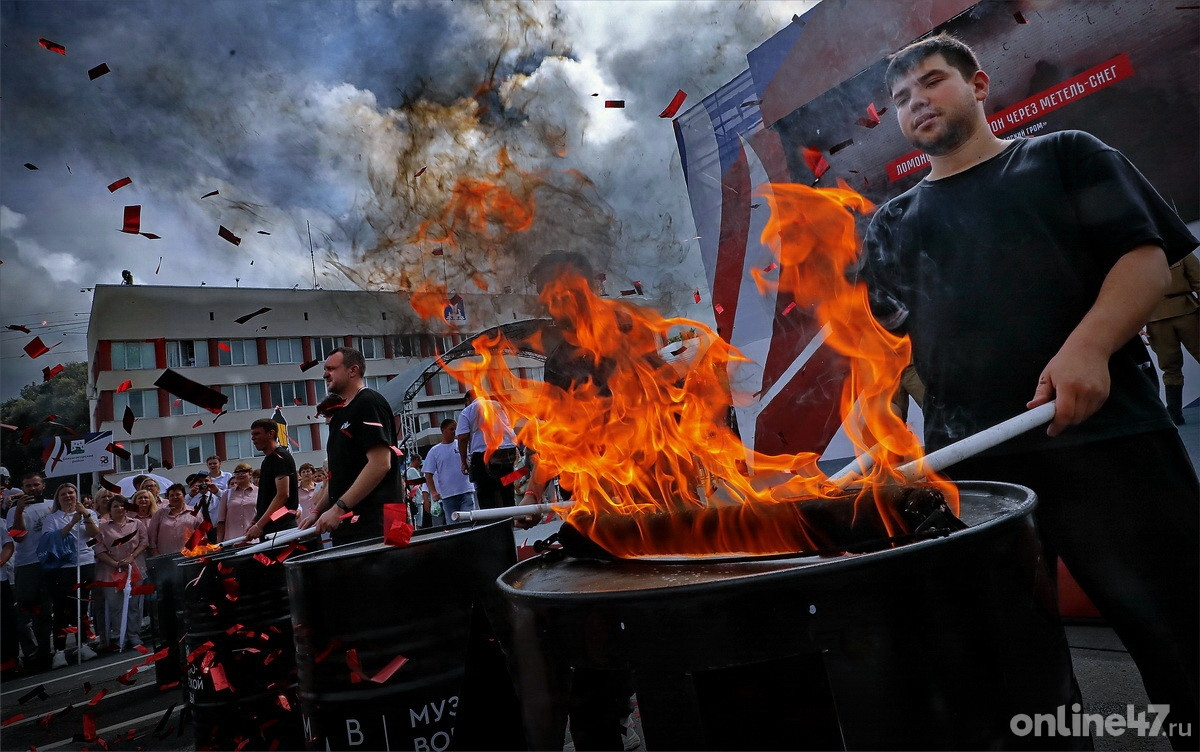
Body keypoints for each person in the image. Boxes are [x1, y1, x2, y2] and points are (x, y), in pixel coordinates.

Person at [859, 34, 1198, 749]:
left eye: (932, 81)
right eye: (901, 97)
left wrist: (1088, 348)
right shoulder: (891, 224)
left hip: (1113, 441)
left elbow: (1143, 263)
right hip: (974, 478)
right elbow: (882, 349)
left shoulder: (1064, 155)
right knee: (1011, 673)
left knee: (1182, 636)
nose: (917, 100)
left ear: (978, 85)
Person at [303, 347, 401, 545]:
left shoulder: (369, 402)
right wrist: (317, 511)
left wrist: (338, 507)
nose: (325, 374)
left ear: (353, 370)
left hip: (377, 523)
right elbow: (340, 478)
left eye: (331, 368)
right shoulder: (339, 414)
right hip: (349, 524)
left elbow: (381, 464)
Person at [41, 483, 100, 666]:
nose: (68, 496)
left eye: (71, 493)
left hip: (85, 563)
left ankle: (83, 643)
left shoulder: (89, 513)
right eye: (63, 494)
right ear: (58, 498)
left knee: (81, 607)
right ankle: (59, 650)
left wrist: (85, 514)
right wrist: (73, 521)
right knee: (61, 608)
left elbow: (93, 533)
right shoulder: (52, 518)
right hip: (63, 567)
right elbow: (54, 539)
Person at [6, 471, 55, 671]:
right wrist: (19, 511)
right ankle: (31, 652)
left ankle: (45, 652)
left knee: (45, 611)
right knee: (24, 612)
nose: (32, 489)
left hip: (50, 563)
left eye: (36, 485)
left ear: (43, 485)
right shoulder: (13, 511)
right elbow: (17, 537)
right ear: (23, 488)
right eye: (28, 486)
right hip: (26, 564)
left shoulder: (53, 504)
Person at [1146, 253, 1200, 424]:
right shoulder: (1133, 257)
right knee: (1170, 367)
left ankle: (1174, 415)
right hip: (1156, 319)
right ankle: (1174, 414)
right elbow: (1127, 294)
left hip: (1188, 313)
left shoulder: (1180, 250)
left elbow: (1198, 279)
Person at [92, 495, 148, 651]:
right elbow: (98, 549)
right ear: (110, 509)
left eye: (123, 505)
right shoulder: (102, 527)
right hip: (110, 572)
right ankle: (119, 636)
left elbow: (144, 542)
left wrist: (131, 558)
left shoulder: (136, 523)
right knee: (115, 605)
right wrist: (114, 563)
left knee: (134, 605)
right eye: (115, 506)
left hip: (134, 569)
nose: (120, 509)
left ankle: (134, 635)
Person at [456, 389, 519, 509]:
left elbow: (463, 438)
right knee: (507, 487)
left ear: (467, 400)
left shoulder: (468, 410)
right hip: (508, 451)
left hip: (485, 453)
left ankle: (491, 523)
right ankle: (509, 519)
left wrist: (463, 461)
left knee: (486, 491)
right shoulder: (498, 405)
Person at [242, 418, 299, 541]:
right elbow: (267, 498)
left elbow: (283, 495)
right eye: (252, 435)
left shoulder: (280, 457)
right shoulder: (268, 460)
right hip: (270, 530)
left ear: (271, 433)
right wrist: (255, 521)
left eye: (257, 433)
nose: (253, 438)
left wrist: (259, 525)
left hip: (281, 530)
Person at [424, 418, 476, 523]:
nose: (454, 431)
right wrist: (433, 492)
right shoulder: (434, 451)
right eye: (451, 429)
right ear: (443, 430)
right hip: (448, 495)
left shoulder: (462, 445)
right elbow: (428, 474)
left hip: (466, 491)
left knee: (468, 523)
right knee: (453, 526)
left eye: (456, 429)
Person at [147, 483, 196, 557]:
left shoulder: (194, 511)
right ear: (168, 498)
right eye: (172, 495)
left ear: (184, 495)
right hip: (165, 556)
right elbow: (152, 535)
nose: (175, 497)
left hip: (190, 554)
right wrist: (155, 552)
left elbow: (202, 533)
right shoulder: (160, 513)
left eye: (178, 494)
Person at [217, 463, 257, 542]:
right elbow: (221, 520)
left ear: (250, 474)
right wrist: (219, 542)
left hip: (254, 539)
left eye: (243, 472)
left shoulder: (259, 492)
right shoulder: (227, 494)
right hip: (232, 540)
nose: (240, 475)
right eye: (237, 473)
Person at [0, 517, 18, 675]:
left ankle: (9, 662)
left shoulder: (0, 522)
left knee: (6, 623)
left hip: (1, 580)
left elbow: (8, 545)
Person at [185, 473, 222, 544]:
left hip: (216, 530)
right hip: (198, 531)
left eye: (206, 481)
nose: (203, 483)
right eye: (200, 481)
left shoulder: (217, 495)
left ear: (211, 482)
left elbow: (229, 501)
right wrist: (191, 495)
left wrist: (217, 491)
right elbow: (180, 506)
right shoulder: (191, 497)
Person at [406, 454, 432, 528]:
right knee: (418, 523)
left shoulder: (408, 470)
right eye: (420, 461)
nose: (420, 463)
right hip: (417, 500)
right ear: (416, 459)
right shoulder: (412, 470)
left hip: (415, 499)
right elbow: (418, 484)